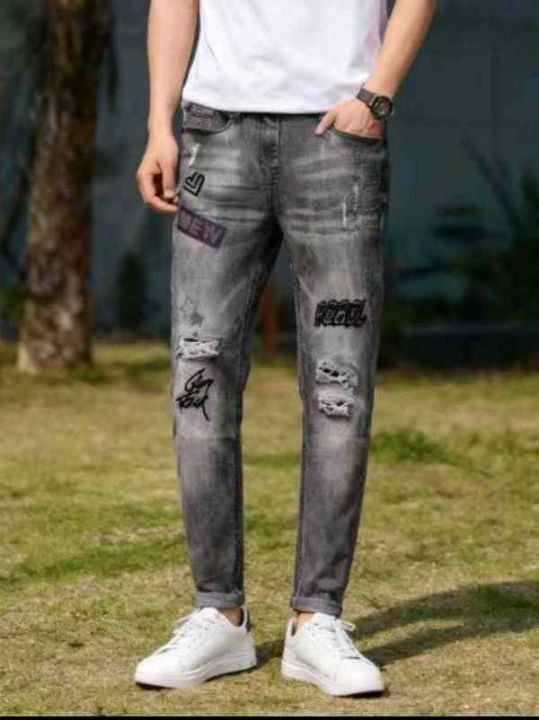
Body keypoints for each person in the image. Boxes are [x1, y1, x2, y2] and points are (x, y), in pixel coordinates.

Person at [135, 0, 435, 697]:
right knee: (199, 373)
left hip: (338, 140)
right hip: (216, 139)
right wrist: (158, 123)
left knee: (338, 383)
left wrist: (376, 96)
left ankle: (316, 619)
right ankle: (218, 614)